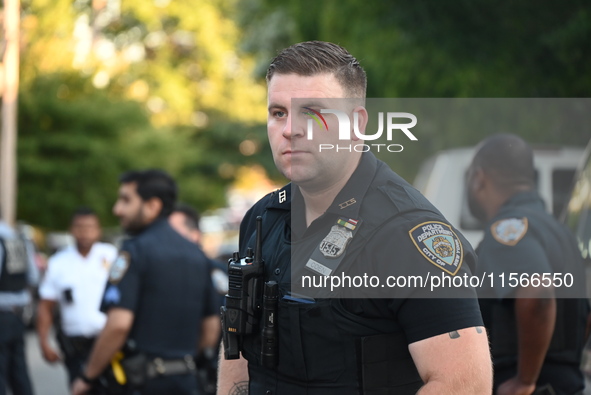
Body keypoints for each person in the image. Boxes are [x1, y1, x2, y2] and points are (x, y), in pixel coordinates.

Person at [218, 41, 492, 395]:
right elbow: (238, 347)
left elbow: (464, 385)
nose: (290, 130)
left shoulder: (407, 233)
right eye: (278, 113)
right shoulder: (261, 219)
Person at [71, 170, 218, 395]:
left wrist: (86, 377)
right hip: (188, 382)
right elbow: (210, 329)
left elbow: (118, 325)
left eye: (126, 200)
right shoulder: (198, 256)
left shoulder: (134, 251)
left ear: (152, 206)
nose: (117, 209)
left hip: (144, 383)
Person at [468, 134, 590, 395]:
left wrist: (525, 379)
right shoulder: (562, 233)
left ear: (479, 178)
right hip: (567, 385)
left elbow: (537, 292)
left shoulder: (507, 229)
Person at [37, 207, 117, 385]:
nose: (85, 232)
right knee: (79, 386)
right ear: (71, 229)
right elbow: (45, 306)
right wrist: (43, 342)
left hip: (107, 341)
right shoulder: (58, 262)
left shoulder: (111, 256)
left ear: (98, 230)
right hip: (75, 344)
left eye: (90, 227)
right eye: (79, 227)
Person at [169, 204, 227, 395]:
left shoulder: (217, 272)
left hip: (212, 369)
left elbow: (211, 327)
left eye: (174, 233)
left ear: (195, 235)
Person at [0, 214, 38, 395]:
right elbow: (33, 277)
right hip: (17, 314)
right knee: (18, 373)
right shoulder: (19, 238)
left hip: (2, 313)